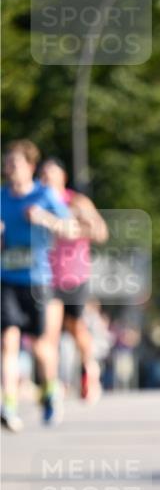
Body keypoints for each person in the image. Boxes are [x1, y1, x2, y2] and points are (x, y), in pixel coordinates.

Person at [1, 140, 78, 431]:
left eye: (15, 163)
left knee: (41, 346)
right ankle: (8, 404)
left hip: (38, 281)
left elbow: (70, 228)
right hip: (6, 278)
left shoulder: (44, 195)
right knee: (8, 342)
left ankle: (49, 394)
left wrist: (43, 217)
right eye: (7, 163)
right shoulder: (1, 197)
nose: (10, 169)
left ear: (30, 167)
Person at [39, 157, 108, 403]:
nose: (46, 179)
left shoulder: (76, 201)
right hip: (44, 276)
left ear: (62, 178)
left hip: (74, 274)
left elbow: (101, 232)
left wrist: (68, 227)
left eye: (51, 175)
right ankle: (53, 385)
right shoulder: (36, 204)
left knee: (75, 327)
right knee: (49, 333)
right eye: (43, 175)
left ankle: (89, 368)